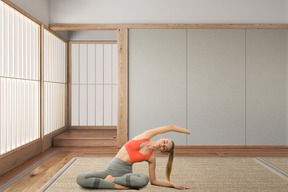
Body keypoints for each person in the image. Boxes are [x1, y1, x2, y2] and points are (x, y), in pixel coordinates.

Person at [77, 125, 190, 190]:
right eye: (165, 141)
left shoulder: (151, 158)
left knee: (143, 179)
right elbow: (170, 127)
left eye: (165, 147)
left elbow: (153, 181)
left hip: (125, 175)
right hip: (110, 170)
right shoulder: (146, 136)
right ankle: (121, 187)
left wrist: (172, 185)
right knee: (81, 178)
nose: (163, 145)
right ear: (162, 138)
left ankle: (113, 181)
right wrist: (187, 131)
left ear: (162, 151)